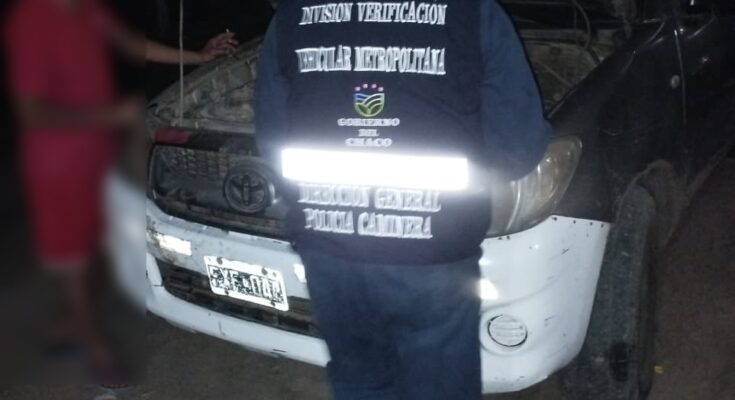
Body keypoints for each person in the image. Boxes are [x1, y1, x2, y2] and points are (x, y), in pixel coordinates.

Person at [256, 0, 549, 399]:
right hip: (432, 256)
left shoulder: (292, 15)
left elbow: (273, 142)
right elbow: (516, 149)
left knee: (362, 381)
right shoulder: (473, 13)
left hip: (330, 254)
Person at [4, 0, 237, 387]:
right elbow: (32, 111)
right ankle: (94, 347)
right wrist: (110, 116)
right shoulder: (31, 22)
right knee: (76, 256)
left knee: (101, 246)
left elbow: (133, 44)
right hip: (55, 161)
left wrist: (199, 56)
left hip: (98, 151)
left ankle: (70, 321)